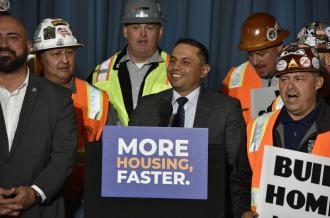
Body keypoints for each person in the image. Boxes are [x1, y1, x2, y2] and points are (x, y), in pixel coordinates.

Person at [127, 38, 246, 218]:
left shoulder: (226, 109)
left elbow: (236, 168)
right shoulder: (147, 106)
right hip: (152, 208)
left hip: (204, 209)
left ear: (204, 71)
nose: (175, 67)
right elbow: (128, 160)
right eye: (173, 60)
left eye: (186, 62)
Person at [231, 43, 330, 218]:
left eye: (299, 78)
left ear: (318, 83)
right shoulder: (257, 127)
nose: (290, 87)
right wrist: (243, 211)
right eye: (284, 79)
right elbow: (240, 180)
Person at [32, 18, 118, 217]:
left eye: (70, 52)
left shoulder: (97, 98)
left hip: (81, 201)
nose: (65, 60)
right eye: (55, 53)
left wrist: (97, 193)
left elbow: (112, 154)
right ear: (39, 59)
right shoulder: (23, 94)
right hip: (35, 199)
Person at [0, 15, 76, 217]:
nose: (4, 44)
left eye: (12, 37)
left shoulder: (59, 98)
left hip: (41, 211)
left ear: (28, 46)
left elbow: (64, 157)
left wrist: (35, 193)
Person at [89, 0, 171, 126]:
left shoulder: (175, 69)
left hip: (159, 144)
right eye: (135, 27)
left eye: (150, 28)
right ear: (125, 31)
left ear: (160, 32)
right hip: (113, 144)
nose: (143, 34)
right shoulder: (101, 72)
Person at [222, 12, 289, 123]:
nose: (255, 62)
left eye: (261, 54)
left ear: (279, 46)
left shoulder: (300, 73)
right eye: (250, 54)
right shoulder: (234, 77)